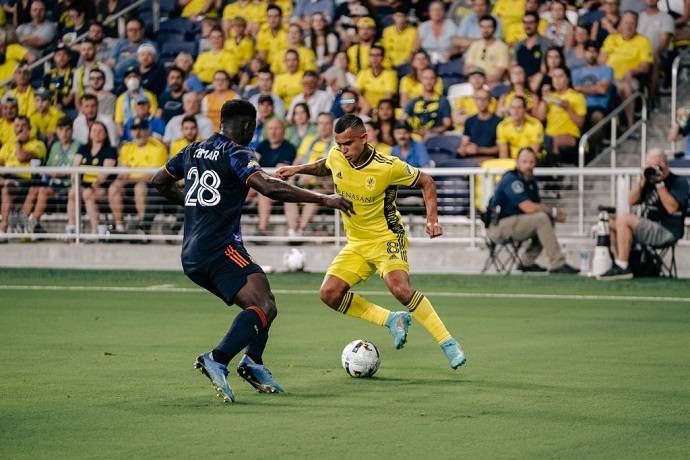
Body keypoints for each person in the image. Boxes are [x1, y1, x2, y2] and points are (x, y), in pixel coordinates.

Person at [150, 100, 353, 402]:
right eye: (254, 126)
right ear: (247, 126)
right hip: (219, 247)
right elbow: (268, 187)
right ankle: (217, 358)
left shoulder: (191, 150)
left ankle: (253, 362)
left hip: (191, 252)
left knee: (265, 302)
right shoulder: (237, 152)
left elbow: (159, 182)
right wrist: (325, 200)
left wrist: (197, 203)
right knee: (264, 307)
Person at [276, 114, 467, 370]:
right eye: (339, 144)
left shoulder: (388, 166)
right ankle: (391, 319)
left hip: (387, 236)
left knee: (399, 289)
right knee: (329, 294)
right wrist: (298, 169)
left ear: (364, 139)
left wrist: (432, 219)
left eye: (348, 144)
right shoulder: (337, 155)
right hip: (356, 243)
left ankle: (448, 342)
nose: (342, 150)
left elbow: (426, 181)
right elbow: (326, 164)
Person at [598, 150, 689, 280]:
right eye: (649, 166)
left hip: (667, 231)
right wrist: (641, 182)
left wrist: (660, 183)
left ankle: (623, 266)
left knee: (624, 219)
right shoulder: (648, 181)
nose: (653, 169)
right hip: (648, 228)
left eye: (656, 165)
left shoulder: (678, 182)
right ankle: (619, 264)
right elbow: (630, 201)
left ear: (665, 164)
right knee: (612, 223)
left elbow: (671, 208)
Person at [487, 147, 579, 273]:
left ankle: (527, 262)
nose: (528, 166)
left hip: (515, 223)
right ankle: (557, 263)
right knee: (541, 218)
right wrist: (554, 212)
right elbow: (528, 207)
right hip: (498, 227)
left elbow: (538, 204)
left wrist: (552, 214)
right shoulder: (511, 179)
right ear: (517, 162)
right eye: (524, 162)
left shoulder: (530, 181)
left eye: (531, 162)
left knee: (547, 219)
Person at [108, 118, 168, 234]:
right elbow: (122, 173)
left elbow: (151, 176)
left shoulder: (158, 148)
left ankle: (143, 227)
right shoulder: (126, 147)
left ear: (148, 130)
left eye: (142, 129)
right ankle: (119, 226)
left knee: (139, 187)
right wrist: (124, 178)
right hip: (130, 182)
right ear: (130, 132)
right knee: (114, 187)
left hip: (150, 185)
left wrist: (128, 178)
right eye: (135, 129)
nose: (138, 133)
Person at [599, 11, 652, 129]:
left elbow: (645, 66)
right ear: (621, 24)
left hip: (629, 78)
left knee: (626, 87)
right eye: (626, 22)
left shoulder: (643, 41)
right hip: (609, 77)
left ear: (637, 25)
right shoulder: (612, 38)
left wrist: (631, 71)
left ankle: (630, 124)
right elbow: (601, 60)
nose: (629, 26)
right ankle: (610, 127)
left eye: (632, 23)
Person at [66, 121, 118, 236]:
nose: (97, 133)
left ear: (105, 134)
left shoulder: (110, 150)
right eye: (94, 130)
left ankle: (96, 229)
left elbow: (105, 174)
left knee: (87, 194)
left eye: (100, 131)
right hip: (82, 185)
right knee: (72, 193)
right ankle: (72, 227)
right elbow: (75, 168)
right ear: (90, 133)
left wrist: (92, 186)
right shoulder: (83, 148)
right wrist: (76, 183)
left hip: (101, 187)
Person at [0, 116, 46, 238]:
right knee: (7, 185)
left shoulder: (38, 145)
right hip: (5, 177)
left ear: (29, 128)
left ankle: (3, 228)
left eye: (23, 126)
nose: (19, 129)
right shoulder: (6, 146)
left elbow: (21, 156)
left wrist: (19, 142)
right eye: (17, 126)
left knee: (7, 189)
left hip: (24, 180)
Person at [254, 118, 297, 236]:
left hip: (278, 185)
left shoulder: (289, 148)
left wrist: (261, 173)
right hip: (261, 182)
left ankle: (262, 229)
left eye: (277, 128)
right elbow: (253, 162)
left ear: (283, 131)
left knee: (263, 192)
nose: (273, 132)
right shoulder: (262, 145)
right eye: (271, 129)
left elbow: (280, 172)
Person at [404, 68, 452, 138]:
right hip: (414, 137)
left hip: (435, 137)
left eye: (431, 78)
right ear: (421, 80)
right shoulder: (413, 101)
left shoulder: (443, 101)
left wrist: (430, 132)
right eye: (425, 78)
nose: (429, 82)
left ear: (436, 80)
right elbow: (403, 119)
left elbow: (447, 124)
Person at [463, 15, 510, 84]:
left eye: (489, 27)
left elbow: (498, 74)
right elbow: (466, 69)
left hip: (492, 84)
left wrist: (479, 81)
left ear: (494, 29)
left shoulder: (502, 47)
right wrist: (476, 80)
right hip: (473, 83)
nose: (485, 30)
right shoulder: (475, 45)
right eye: (483, 27)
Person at [459, 88, 501, 162]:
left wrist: (479, 150)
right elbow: (464, 142)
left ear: (490, 101)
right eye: (479, 99)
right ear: (475, 101)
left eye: (485, 99)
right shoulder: (469, 121)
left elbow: (500, 148)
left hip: (491, 161)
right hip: (471, 160)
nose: (482, 102)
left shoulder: (498, 122)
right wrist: (464, 149)